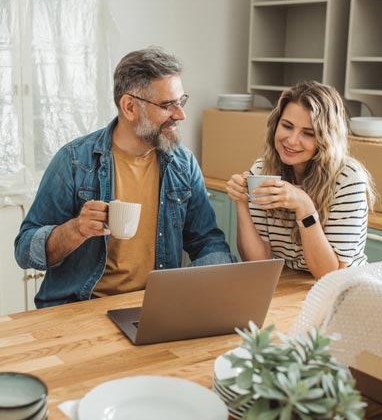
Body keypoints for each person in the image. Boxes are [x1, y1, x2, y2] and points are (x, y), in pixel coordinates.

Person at [15, 46, 235, 308]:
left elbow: (207, 240)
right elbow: (24, 251)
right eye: (168, 105)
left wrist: (210, 291)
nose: (181, 114)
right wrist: (75, 230)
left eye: (181, 101)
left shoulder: (182, 163)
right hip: (80, 307)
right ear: (129, 107)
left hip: (154, 307)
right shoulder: (74, 160)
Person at [227, 80, 376, 279]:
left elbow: (329, 273)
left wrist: (304, 207)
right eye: (287, 126)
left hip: (343, 287)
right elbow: (257, 262)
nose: (292, 140)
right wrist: (242, 203)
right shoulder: (263, 169)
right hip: (291, 283)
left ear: (326, 138)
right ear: (275, 125)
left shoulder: (349, 179)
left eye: (308, 133)